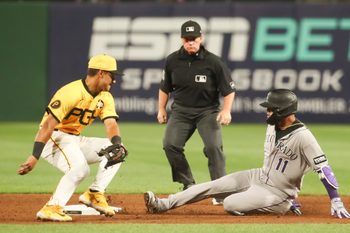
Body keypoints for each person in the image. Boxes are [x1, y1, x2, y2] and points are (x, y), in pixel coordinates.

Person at [144, 89, 350, 218]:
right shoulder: (273, 126)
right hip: (258, 176)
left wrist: (335, 199)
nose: (267, 112)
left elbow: (323, 168)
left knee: (231, 203)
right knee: (212, 186)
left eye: (271, 109)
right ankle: (162, 205)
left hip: (277, 192)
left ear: (284, 111)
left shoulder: (304, 137)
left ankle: (283, 205)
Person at [17, 54, 127, 222]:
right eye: (112, 76)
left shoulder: (105, 96)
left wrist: (117, 143)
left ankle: (95, 194)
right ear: (101, 73)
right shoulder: (71, 92)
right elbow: (48, 125)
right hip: (53, 137)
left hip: (74, 139)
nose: (114, 81)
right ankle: (52, 207)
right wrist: (34, 155)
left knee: (118, 151)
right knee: (80, 169)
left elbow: (111, 123)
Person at [157, 20, 236, 201]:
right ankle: (188, 183)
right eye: (187, 39)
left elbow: (229, 89)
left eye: (194, 38)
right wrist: (161, 108)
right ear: (182, 39)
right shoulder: (172, 60)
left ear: (201, 38)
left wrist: (226, 110)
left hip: (207, 112)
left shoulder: (213, 61)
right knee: (170, 145)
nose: (190, 42)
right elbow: (164, 87)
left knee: (213, 147)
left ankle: (220, 191)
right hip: (181, 112)